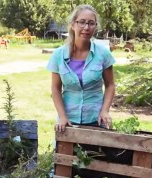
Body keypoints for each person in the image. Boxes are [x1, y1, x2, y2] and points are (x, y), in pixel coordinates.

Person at [46, 4, 116, 132]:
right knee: (65, 152)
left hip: (96, 119)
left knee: (96, 153)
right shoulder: (58, 56)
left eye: (91, 23)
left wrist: (105, 111)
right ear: (73, 25)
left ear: (95, 27)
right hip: (67, 121)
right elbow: (55, 88)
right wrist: (62, 116)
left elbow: (110, 85)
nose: (86, 27)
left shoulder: (103, 54)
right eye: (82, 22)